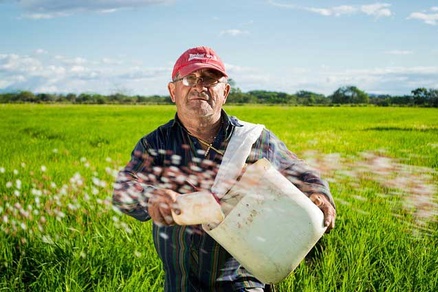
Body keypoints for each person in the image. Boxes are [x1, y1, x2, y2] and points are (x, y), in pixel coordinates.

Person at [113, 46, 336, 292]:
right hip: (180, 284)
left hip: (243, 281)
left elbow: (299, 170)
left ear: (225, 92)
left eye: (210, 79)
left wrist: (319, 193)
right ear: (172, 91)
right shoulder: (156, 144)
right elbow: (123, 189)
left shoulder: (253, 139)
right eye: (189, 79)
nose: (199, 86)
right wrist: (150, 197)